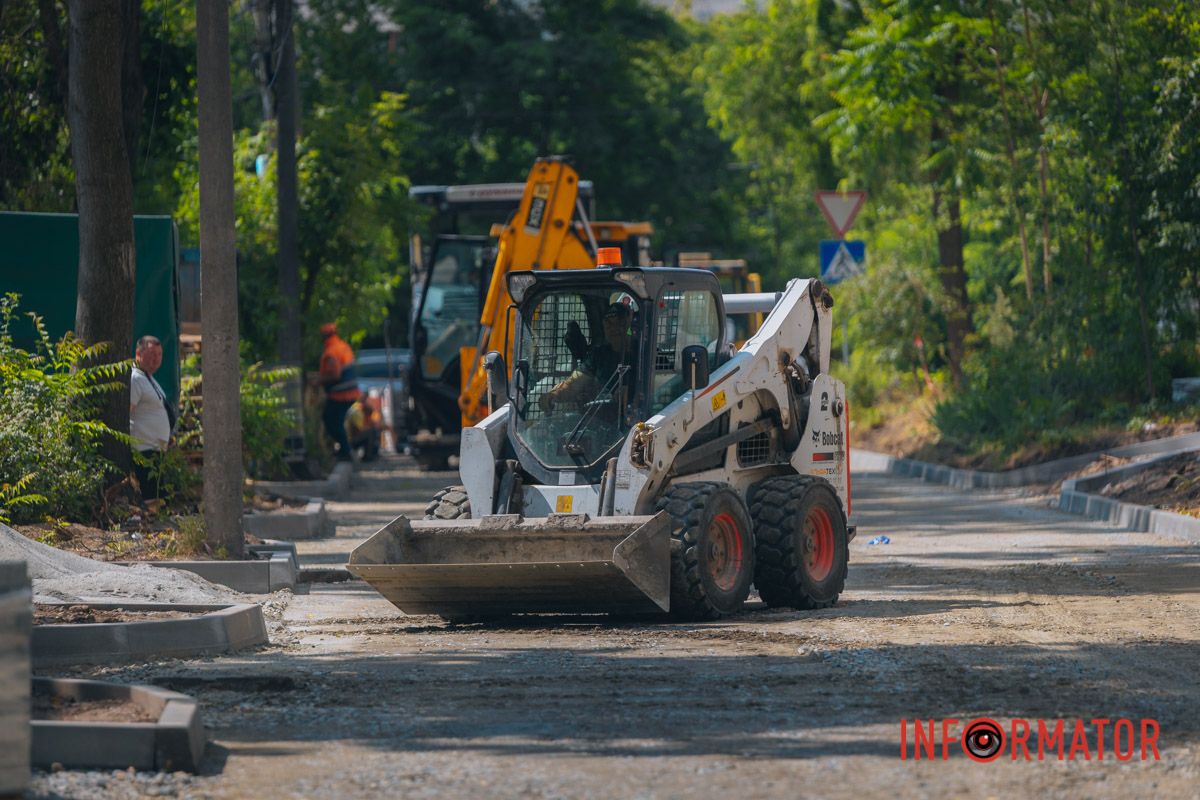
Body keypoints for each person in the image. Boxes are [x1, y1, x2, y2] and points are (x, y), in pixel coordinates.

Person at [540, 301, 635, 412]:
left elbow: (658, 385)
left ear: (628, 324)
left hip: (638, 420)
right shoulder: (598, 355)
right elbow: (573, 384)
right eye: (608, 324)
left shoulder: (644, 353)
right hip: (597, 419)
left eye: (618, 323)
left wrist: (634, 392)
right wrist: (554, 395)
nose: (612, 328)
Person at [129, 335, 175, 500]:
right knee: (153, 497)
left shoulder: (149, 378)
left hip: (156, 450)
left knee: (160, 495)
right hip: (144, 451)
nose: (156, 359)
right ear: (138, 354)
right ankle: (149, 525)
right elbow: (128, 411)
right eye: (151, 355)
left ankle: (154, 523)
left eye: (159, 355)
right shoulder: (135, 379)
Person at [318, 322, 361, 461]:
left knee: (330, 420)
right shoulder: (343, 346)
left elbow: (335, 375)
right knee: (338, 421)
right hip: (351, 391)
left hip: (340, 394)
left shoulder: (331, 352)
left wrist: (318, 381)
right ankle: (345, 449)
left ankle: (346, 450)